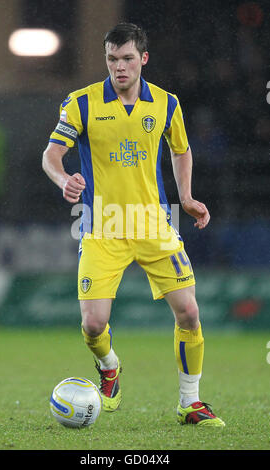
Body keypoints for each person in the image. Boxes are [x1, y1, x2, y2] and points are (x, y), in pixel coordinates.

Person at [42, 23, 225, 427]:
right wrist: (63, 178)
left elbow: (181, 150)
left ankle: (190, 403)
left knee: (190, 313)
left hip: (155, 224)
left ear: (143, 58)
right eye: (111, 59)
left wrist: (188, 196)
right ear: (105, 59)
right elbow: (51, 155)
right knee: (93, 325)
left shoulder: (166, 103)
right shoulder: (82, 103)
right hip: (101, 227)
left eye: (127, 58)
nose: (119, 67)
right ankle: (109, 367)